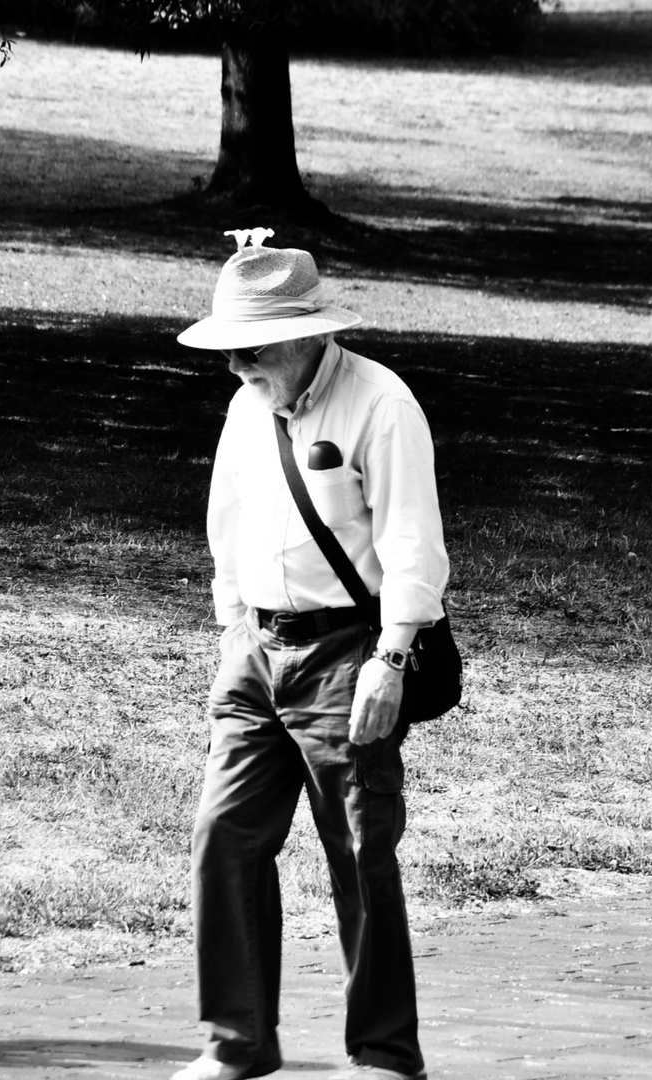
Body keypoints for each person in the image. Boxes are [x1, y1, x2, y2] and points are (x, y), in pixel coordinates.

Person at [172, 229, 449, 1080]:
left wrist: (391, 659)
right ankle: (236, 1045)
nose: (235, 367)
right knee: (223, 836)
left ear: (303, 334)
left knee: (358, 849)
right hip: (255, 648)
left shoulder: (381, 404)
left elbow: (412, 543)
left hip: (349, 652)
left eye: (249, 350)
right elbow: (228, 521)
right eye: (228, 351)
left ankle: (383, 1054)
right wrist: (230, 630)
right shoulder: (246, 404)